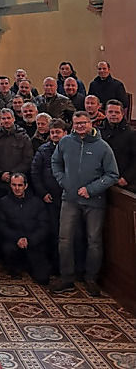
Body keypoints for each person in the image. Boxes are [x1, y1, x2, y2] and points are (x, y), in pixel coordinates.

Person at [51, 110, 119, 296]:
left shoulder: (103, 147)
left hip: (94, 201)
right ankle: (67, 277)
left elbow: (112, 174)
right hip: (70, 199)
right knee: (64, 239)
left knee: (94, 241)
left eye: (83, 123)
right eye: (77, 123)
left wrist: (91, 189)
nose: (80, 126)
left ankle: (91, 278)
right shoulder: (65, 142)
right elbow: (55, 163)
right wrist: (64, 181)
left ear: (91, 123)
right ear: (72, 124)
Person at [0, 172, 51, 284]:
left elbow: (44, 226)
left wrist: (29, 240)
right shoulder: (3, 202)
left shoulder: (37, 203)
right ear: (10, 185)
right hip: (13, 242)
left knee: (43, 279)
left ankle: (30, 265)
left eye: (20, 185)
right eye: (14, 185)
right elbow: (0, 225)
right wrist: (17, 238)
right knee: (8, 249)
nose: (17, 188)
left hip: (33, 242)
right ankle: (15, 268)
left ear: (26, 186)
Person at [31, 118, 68, 273]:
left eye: (58, 132)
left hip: (68, 198)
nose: (55, 135)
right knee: (52, 232)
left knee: (67, 234)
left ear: (65, 133)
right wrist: (43, 193)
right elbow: (35, 173)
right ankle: (53, 265)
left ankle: (67, 266)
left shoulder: (72, 149)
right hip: (49, 199)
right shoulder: (43, 150)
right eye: (52, 132)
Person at [0, 108, 33, 202]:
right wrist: (0, 174)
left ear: (13, 119)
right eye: (3, 118)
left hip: (18, 183)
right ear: (0, 120)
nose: (6, 121)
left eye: (8, 118)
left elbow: (28, 160)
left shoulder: (24, 137)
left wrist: (12, 174)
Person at [99, 99, 136, 192]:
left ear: (122, 114)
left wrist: (126, 178)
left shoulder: (131, 133)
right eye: (110, 112)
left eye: (117, 112)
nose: (113, 114)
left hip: (122, 180)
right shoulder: (98, 131)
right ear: (105, 113)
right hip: (101, 178)